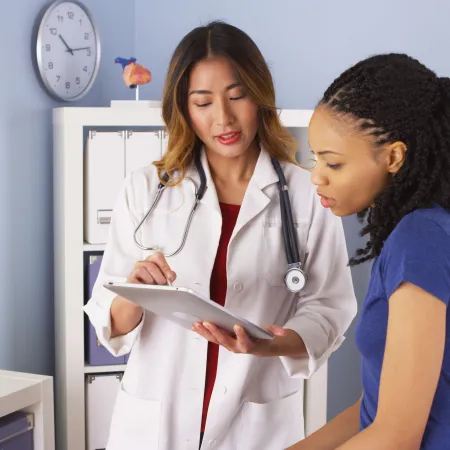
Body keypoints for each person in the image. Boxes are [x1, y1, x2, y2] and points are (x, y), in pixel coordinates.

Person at [84, 21, 357, 450]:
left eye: (237, 96)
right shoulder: (145, 189)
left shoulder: (306, 193)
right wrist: (132, 294)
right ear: (184, 108)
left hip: (256, 424)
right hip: (156, 423)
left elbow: (330, 305)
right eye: (203, 102)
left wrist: (272, 345)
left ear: (259, 95)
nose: (223, 118)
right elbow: (109, 322)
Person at [289, 53, 450, 450]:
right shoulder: (415, 231)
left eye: (334, 163)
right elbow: (377, 409)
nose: (317, 176)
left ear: (393, 157)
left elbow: (396, 436)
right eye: (315, 158)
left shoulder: (420, 238)